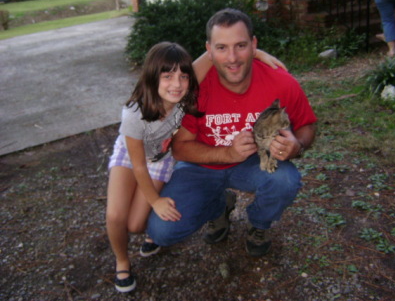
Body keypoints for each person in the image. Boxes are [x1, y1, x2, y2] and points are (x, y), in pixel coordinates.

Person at [106, 41, 286, 292]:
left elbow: (215, 54)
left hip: (160, 157)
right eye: (167, 76)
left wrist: (256, 51)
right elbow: (138, 167)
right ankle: (122, 261)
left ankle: (155, 231)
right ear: (151, 76)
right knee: (116, 215)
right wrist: (155, 201)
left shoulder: (182, 94)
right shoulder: (135, 113)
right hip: (131, 154)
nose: (176, 84)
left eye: (182, 76)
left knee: (136, 224)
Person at [146, 8, 317, 259]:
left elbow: (307, 125)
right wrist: (227, 153)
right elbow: (180, 148)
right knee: (161, 231)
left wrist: (297, 145)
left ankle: (259, 224)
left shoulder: (281, 81)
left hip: (254, 163)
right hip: (201, 165)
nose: (233, 58)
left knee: (285, 180)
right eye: (222, 48)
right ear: (209, 50)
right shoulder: (193, 87)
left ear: (254, 44)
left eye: (241, 45)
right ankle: (218, 206)